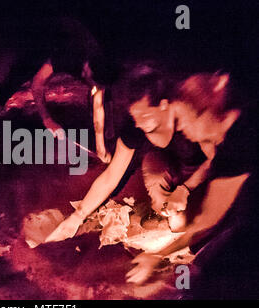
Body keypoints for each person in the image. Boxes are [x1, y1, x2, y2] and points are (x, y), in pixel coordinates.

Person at [125, 73, 258, 298]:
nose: (182, 128)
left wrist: (156, 256)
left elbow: (207, 221)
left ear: (204, 114)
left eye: (184, 120)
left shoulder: (242, 142)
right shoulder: (236, 135)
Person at [45, 63, 209, 243]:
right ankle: (169, 212)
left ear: (164, 105)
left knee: (195, 225)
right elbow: (111, 176)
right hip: (167, 162)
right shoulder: (135, 127)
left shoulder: (189, 117)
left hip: (202, 171)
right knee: (165, 203)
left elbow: (217, 158)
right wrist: (77, 217)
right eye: (135, 117)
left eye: (144, 116)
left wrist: (186, 189)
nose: (139, 123)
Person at [0, 17, 118, 145]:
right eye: (94, 83)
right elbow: (37, 84)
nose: (95, 88)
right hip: (43, 35)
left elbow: (101, 94)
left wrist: (108, 127)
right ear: (87, 70)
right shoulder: (68, 56)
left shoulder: (101, 62)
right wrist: (47, 120)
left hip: (73, 36)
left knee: (99, 87)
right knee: (16, 77)